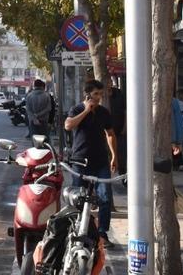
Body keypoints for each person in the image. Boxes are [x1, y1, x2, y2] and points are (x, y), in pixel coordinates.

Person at [64, 79, 118, 249]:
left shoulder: (103, 112)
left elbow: (110, 133)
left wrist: (114, 156)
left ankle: (102, 233)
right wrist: (86, 111)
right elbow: (68, 125)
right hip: (80, 161)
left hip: (101, 161)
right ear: (87, 94)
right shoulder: (77, 109)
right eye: (96, 94)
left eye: (101, 95)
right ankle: (78, 230)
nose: (98, 98)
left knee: (105, 197)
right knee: (78, 198)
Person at [106, 79, 127, 174]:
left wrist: (125, 127)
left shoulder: (118, 94)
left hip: (119, 130)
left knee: (121, 154)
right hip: (106, 132)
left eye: (109, 81)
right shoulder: (101, 96)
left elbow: (125, 111)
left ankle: (123, 174)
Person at [171, 95, 183, 169]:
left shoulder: (173, 102)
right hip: (173, 139)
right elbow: (179, 122)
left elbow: (177, 122)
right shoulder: (174, 102)